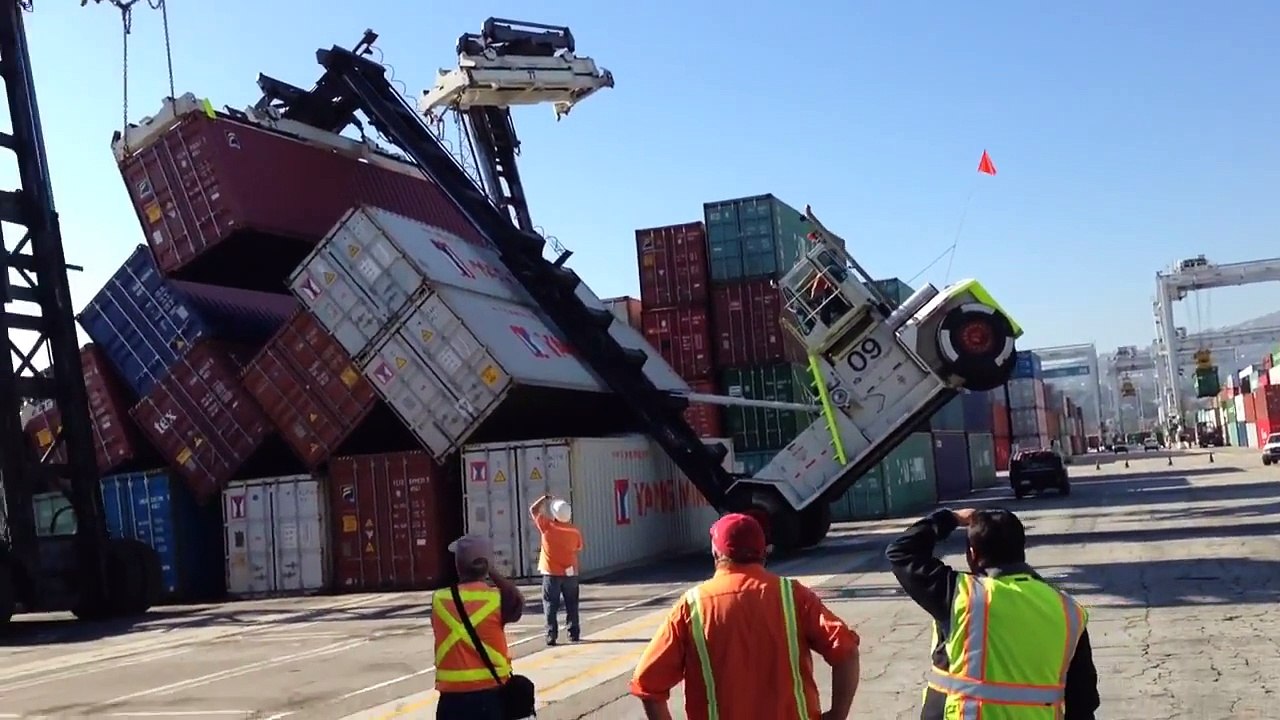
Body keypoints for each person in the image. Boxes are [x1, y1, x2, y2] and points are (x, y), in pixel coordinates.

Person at [629, 513, 861, 720]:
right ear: (763, 551)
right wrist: (837, 715)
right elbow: (847, 651)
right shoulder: (793, 596)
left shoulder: (692, 606)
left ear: (716, 553)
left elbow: (648, 682)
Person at [885, 507, 1101, 720]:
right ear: (1021, 550)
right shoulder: (1068, 611)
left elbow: (902, 552)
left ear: (973, 554)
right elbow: (1082, 703)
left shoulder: (961, 595)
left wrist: (950, 518)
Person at [431, 534, 525, 720]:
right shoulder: (498, 599)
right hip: (489, 697)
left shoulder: (440, 600)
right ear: (487, 565)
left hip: (451, 702)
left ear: (458, 566)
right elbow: (517, 604)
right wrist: (493, 572)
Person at [529, 493, 584, 646]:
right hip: (571, 572)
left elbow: (533, 510)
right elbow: (579, 547)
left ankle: (551, 635)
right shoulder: (574, 531)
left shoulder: (547, 527)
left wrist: (544, 498)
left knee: (550, 605)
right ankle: (574, 633)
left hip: (551, 572)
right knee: (572, 603)